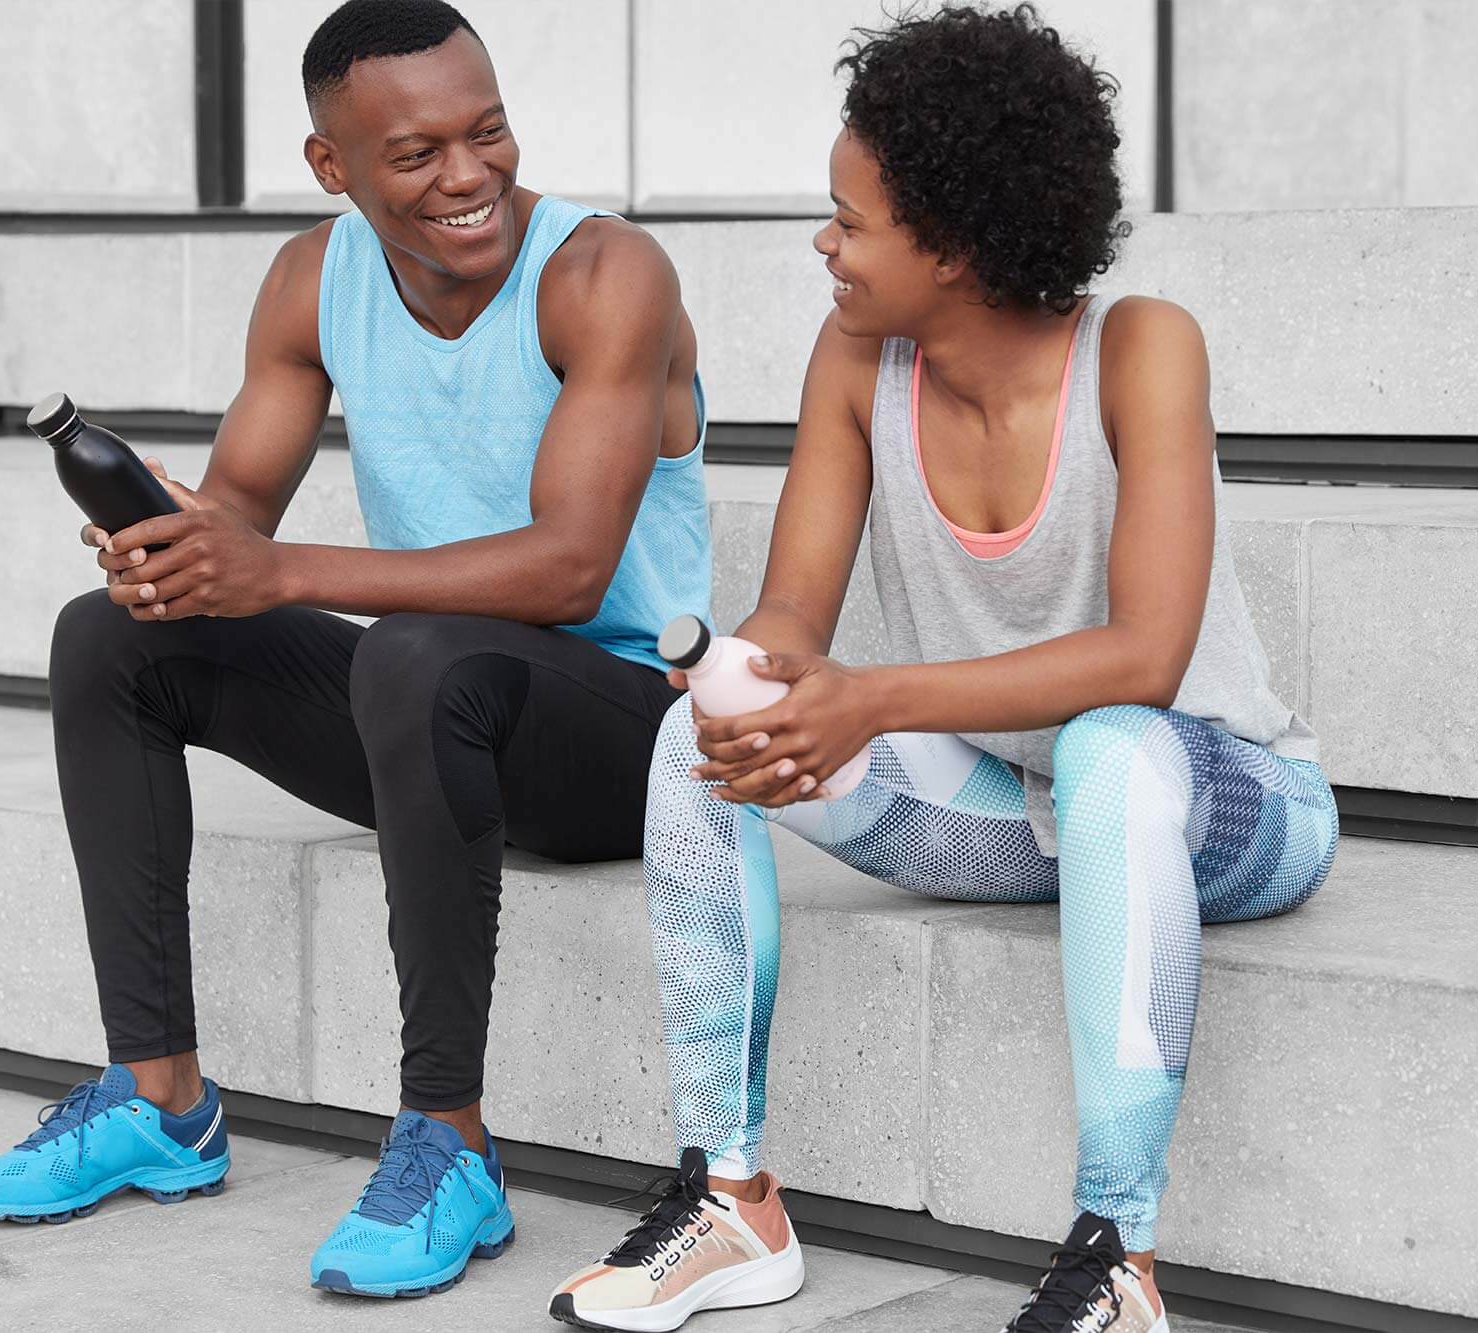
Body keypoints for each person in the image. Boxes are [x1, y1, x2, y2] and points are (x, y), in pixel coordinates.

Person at [549, 6, 1337, 1331]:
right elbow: (797, 605)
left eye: (851, 222)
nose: (826, 245)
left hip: (1222, 804)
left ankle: (1118, 1262)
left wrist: (876, 693)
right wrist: (751, 681)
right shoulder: (858, 360)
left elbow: (1142, 658)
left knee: (1108, 748)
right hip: (1013, 807)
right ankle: (730, 1201)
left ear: (960, 245)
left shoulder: (1143, 350)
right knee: (697, 737)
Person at [0, 0, 712, 1301]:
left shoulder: (603, 274)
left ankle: (449, 1145)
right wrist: (177, 545)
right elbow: (241, 513)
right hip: (438, 714)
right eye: (417, 154)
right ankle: (160, 1097)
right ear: (332, 168)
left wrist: (282, 568)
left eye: (489, 132)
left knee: (410, 655)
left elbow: (572, 560)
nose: (470, 176)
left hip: (624, 733)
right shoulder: (311, 278)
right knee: (113, 638)